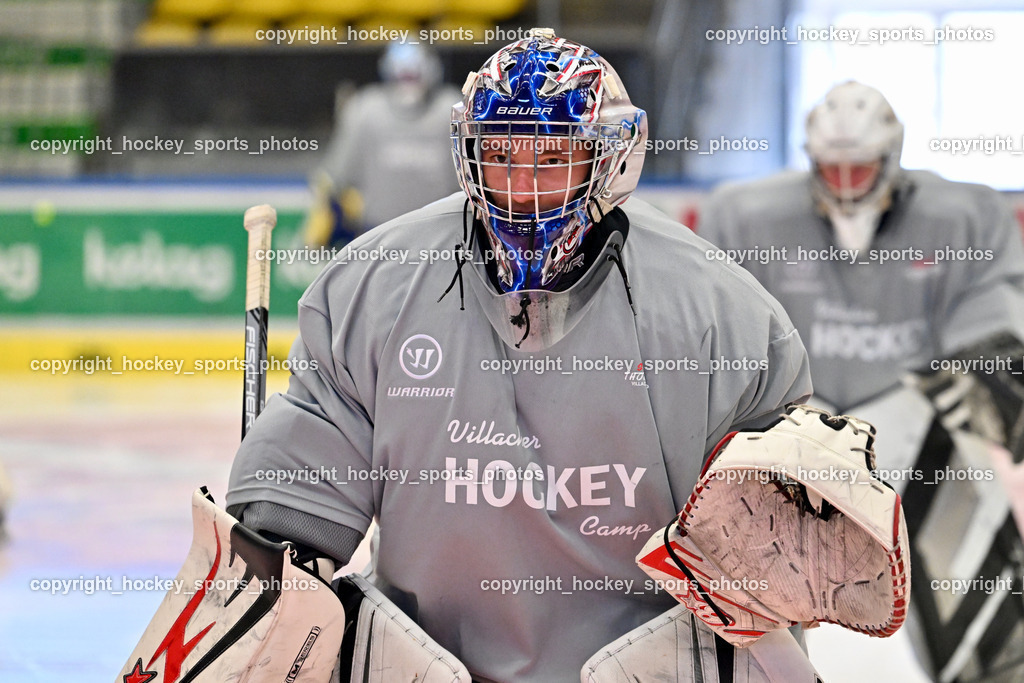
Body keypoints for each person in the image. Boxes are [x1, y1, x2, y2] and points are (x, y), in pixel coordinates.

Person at [223, 28, 821, 681]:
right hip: (421, 666)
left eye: (553, 157)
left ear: (610, 159)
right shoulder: (372, 287)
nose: (523, 187)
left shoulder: (721, 316)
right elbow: (304, 483)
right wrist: (274, 568)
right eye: (501, 154)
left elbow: (765, 565)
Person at [699, 80, 1024, 682]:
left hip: (918, 421)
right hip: (788, 429)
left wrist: (987, 381)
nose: (846, 184)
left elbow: (992, 319)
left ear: (891, 158)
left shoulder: (965, 216)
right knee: (756, 588)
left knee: (969, 583)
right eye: (832, 169)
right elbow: (713, 320)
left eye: (861, 169)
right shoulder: (744, 214)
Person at [304, 41, 461, 248]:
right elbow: (336, 177)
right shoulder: (366, 110)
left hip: (441, 235)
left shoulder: (451, 109)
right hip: (377, 235)